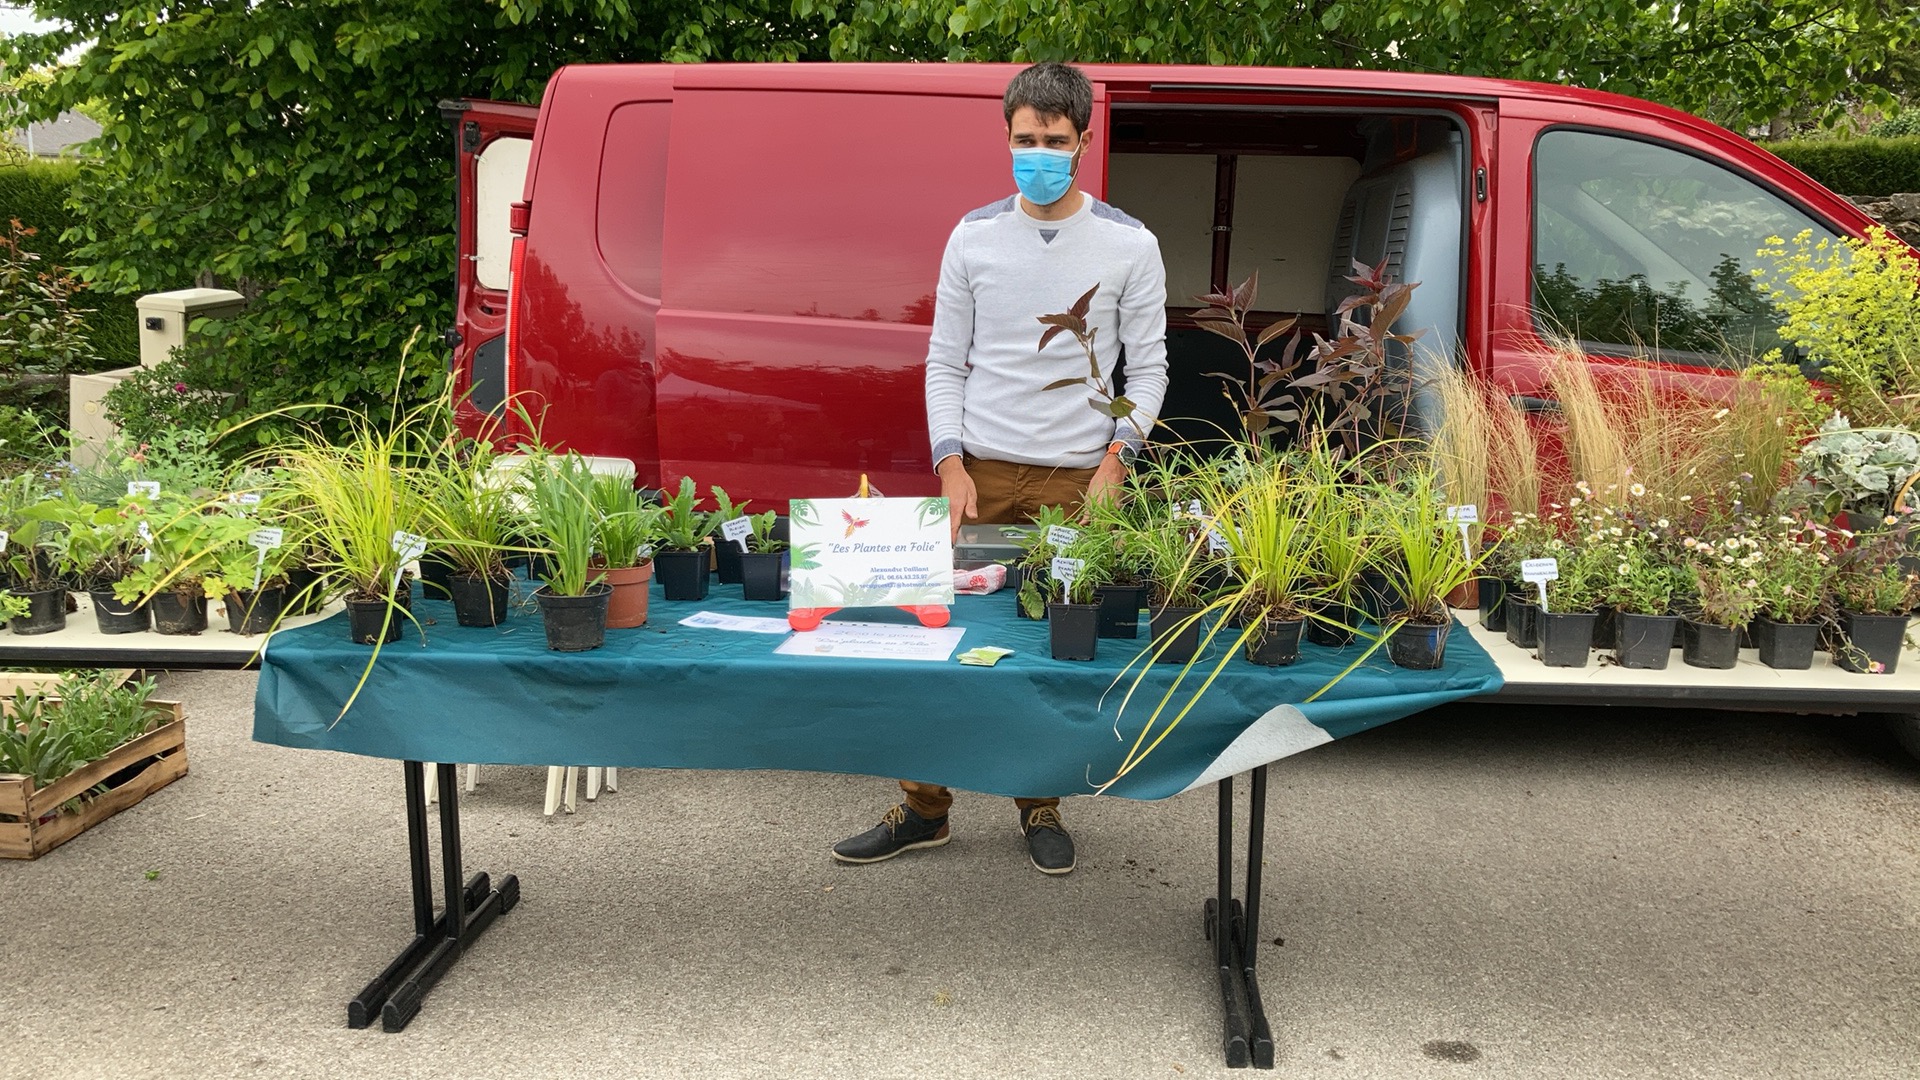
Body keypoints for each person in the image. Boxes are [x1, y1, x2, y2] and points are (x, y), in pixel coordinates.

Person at [831, 62, 1169, 876]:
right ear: (1006, 137)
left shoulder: (1130, 244)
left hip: (1076, 485)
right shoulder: (973, 236)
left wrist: (1117, 462)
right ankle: (924, 807)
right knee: (938, 643)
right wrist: (949, 461)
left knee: (1051, 653)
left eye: (1055, 140)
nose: (1038, 154)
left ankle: (1039, 802)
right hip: (977, 477)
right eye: (1025, 139)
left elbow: (1151, 368)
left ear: (1084, 140)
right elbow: (944, 360)